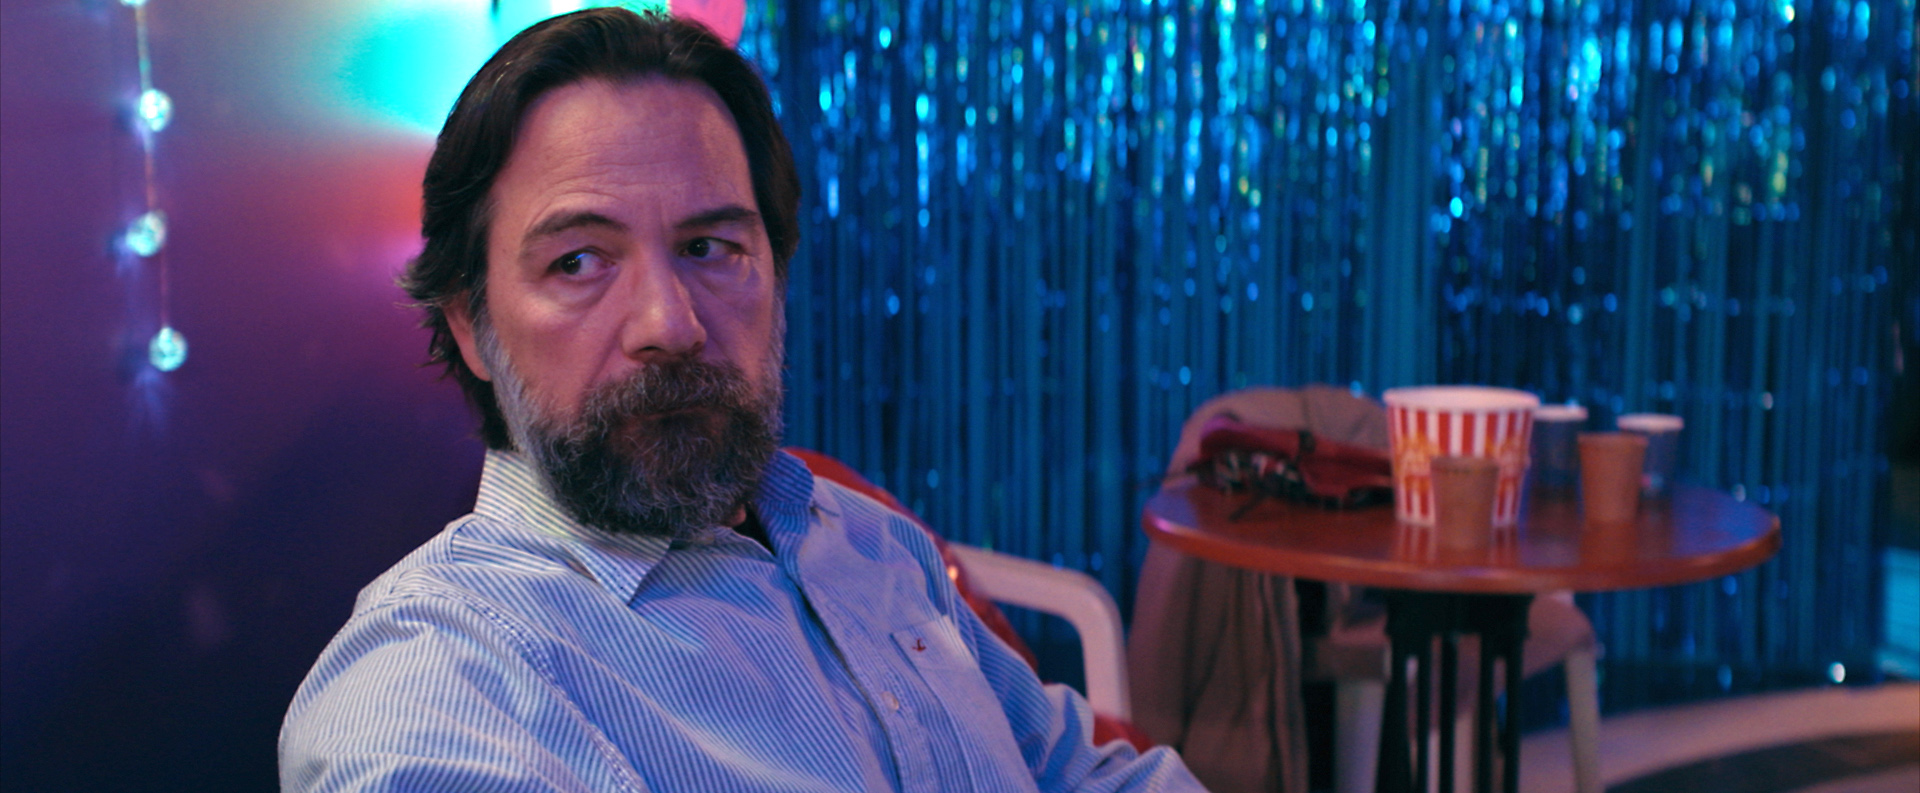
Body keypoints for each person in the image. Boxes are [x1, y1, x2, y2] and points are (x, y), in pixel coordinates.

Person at [278, 8, 1205, 792]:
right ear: (473, 326)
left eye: (709, 248)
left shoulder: (872, 541)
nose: (669, 322)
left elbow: (1078, 771)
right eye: (580, 261)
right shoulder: (443, 681)